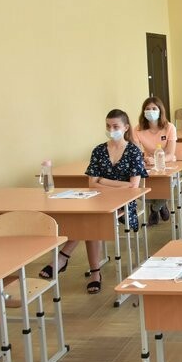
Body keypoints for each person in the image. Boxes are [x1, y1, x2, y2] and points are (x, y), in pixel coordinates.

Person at [39, 109, 147, 294]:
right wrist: (115, 184)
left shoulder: (133, 151)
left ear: (126, 127)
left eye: (115, 126)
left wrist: (103, 181)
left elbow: (133, 186)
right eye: (108, 126)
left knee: (91, 221)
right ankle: (84, 268)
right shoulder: (99, 150)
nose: (111, 130)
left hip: (124, 202)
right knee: (88, 217)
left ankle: (67, 259)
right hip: (97, 199)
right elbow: (91, 184)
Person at [132, 96, 177, 225]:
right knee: (138, 189)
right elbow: (136, 153)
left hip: (167, 163)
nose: (150, 111)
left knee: (167, 187)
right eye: (147, 109)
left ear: (160, 110)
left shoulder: (169, 127)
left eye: (154, 108)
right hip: (147, 164)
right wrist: (144, 160)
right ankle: (161, 204)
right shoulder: (138, 129)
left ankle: (155, 208)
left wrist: (157, 161)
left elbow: (170, 154)